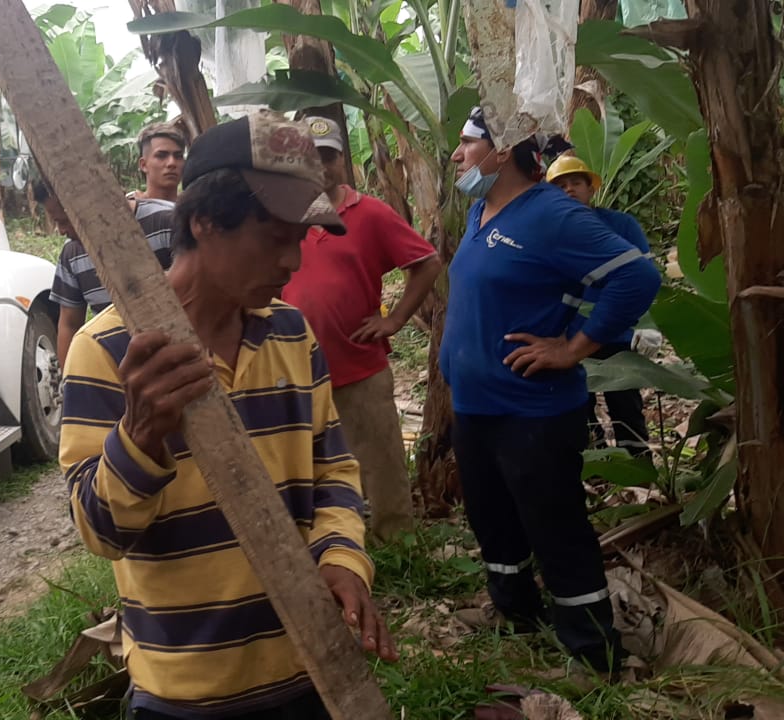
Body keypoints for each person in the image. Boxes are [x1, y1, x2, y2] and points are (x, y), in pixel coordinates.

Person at [60, 110, 397, 719]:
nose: (293, 262)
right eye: (276, 239)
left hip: (308, 666)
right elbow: (101, 533)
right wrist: (140, 436)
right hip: (184, 687)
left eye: (301, 240)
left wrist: (342, 559)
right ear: (205, 221)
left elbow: (333, 470)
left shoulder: (292, 333)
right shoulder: (107, 350)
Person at [441, 107, 660, 675]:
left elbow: (636, 275)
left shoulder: (551, 214)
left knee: (555, 527)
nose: (457, 155)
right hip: (475, 405)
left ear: (503, 150)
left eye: (467, 143)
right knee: (493, 519)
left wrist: (573, 347)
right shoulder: (480, 210)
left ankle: (593, 652)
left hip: (531, 411)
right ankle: (515, 612)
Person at [282, 116, 442, 543]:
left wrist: (395, 319)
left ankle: (396, 541)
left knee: (380, 459)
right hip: (293, 369)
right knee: (305, 463)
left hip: (358, 364)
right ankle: (326, 541)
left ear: (342, 159)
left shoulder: (369, 213)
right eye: (310, 156)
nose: (321, 165)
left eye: (328, 156)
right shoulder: (282, 215)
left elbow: (427, 262)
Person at [547, 154, 659, 457]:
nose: (569, 190)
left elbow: (643, 279)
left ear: (591, 188)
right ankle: (594, 468)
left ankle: (637, 468)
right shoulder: (547, 234)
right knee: (578, 409)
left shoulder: (621, 225)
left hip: (616, 331)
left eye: (576, 183)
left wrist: (647, 326)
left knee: (626, 406)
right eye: (560, 186)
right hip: (568, 335)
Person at [43, 177, 175, 368]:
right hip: (114, 370)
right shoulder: (72, 254)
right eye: (56, 222)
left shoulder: (169, 222)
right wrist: (69, 379)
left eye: (64, 221)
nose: (61, 231)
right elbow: (69, 324)